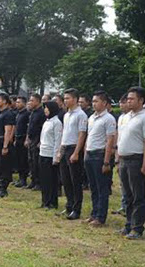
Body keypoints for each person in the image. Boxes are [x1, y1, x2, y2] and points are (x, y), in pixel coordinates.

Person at [83, 91, 116, 227]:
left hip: (100, 155)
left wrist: (106, 161)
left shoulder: (108, 119)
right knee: (93, 187)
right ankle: (94, 213)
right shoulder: (91, 118)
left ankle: (101, 217)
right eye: (93, 101)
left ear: (104, 103)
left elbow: (110, 141)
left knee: (102, 187)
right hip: (90, 154)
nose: (93, 103)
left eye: (96, 101)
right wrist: (85, 152)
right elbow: (89, 136)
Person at [116, 87, 145, 240]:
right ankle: (128, 224)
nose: (128, 101)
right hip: (124, 160)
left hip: (136, 159)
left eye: (132, 99)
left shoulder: (143, 117)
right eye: (128, 98)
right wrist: (118, 158)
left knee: (137, 195)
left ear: (141, 100)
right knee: (127, 195)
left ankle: (137, 228)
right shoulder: (127, 117)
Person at [58, 88, 88, 220]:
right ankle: (69, 205)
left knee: (75, 181)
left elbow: (82, 134)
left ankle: (77, 209)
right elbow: (65, 133)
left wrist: (76, 152)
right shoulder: (66, 115)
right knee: (65, 180)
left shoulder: (81, 115)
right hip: (65, 148)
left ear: (75, 99)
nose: (65, 101)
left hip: (74, 148)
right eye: (64, 98)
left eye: (68, 98)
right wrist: (60, 150)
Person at [0, 93, 15, 198]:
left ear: (4, 101)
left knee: (4, 166)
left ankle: (3, 189)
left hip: (3, 143)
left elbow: (8, 131)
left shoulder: (8, 114)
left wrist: (5, 146)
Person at [39, 101, 62, 209]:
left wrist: (56, 157)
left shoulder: (56, 122)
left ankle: (52, 202)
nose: (45, 110)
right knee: (44, 179)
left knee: (51, 180)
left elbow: (58, 141)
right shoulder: (46, 121)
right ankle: (45, 201)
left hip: (50, 155)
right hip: (42, 153)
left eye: (47, 108)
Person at [25, 94, 46, 191]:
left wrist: (40, 141)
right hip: (31, 139)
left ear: (38, 101)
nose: (30, 102)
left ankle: (39, 182)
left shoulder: (42, 113)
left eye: (32, 100)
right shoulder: (32, 112)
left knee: (36, 162)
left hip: (38, 139)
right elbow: (30, 127)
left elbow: (43, 128)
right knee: (31, 161)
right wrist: (27, 138)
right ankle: (33, 181)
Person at [13, 96, 30, 187]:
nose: (17, 104)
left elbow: (28, 128)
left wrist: (27, 139)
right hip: (18, 138)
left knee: (23, 160)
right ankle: (20, 178)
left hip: (23, 139)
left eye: (19, 102)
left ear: (24, 103)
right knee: (18, 159)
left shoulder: (27, 114)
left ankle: (23, 179)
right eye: (16, 102)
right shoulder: (18, 114)